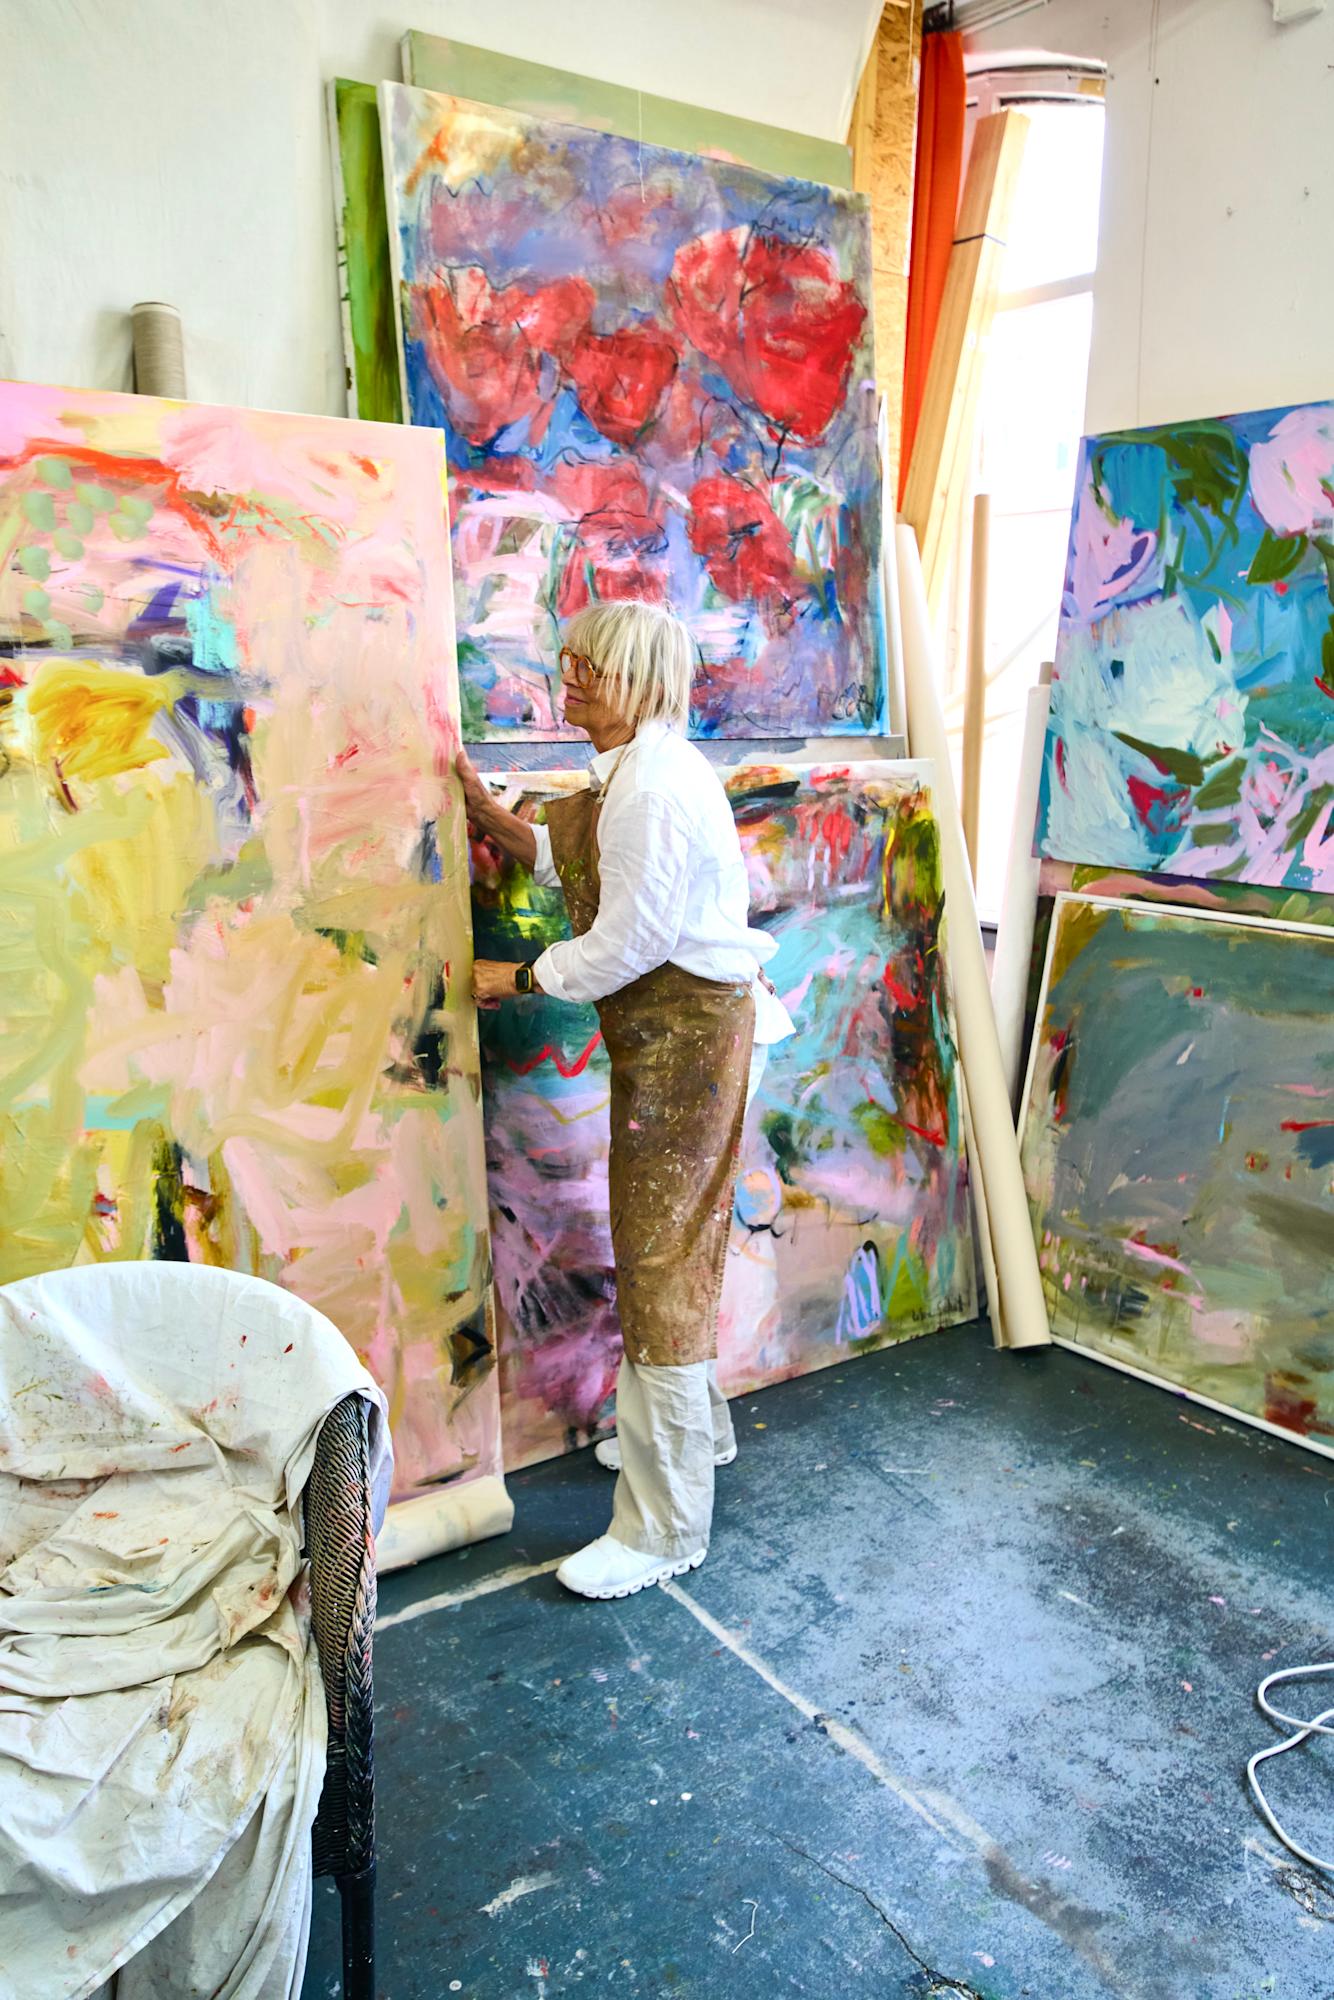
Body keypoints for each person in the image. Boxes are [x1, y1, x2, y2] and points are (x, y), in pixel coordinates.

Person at [457, 600, 794, 1601]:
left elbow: (629, 941)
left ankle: (663, 1527)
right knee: (671, 1249)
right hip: (683, 1037)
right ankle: (698, 1437)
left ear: (637, 680)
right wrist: (485, 814)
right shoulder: (635, 773)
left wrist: (519, 976)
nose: (567, 683)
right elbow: (576, 859)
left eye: (587, 669)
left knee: (659, 1262)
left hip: (691, 1042)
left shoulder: (650, 787)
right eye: (567, 663)